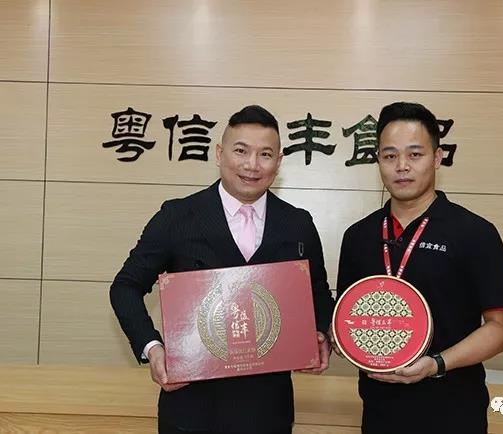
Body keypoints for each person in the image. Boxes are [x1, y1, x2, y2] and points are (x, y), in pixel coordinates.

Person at [110, 105, 335, 434]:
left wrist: (321, 334)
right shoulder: (177, 217)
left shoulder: (298, 223)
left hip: (268, 412)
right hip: (190, 410)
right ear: (219, 154)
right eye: (241, 151)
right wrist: (152, 348)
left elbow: (318, 293)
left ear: (278, 162)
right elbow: (125, 287)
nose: (252, 165)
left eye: (265, 154)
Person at [333, 102, 503, 434]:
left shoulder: (475, 233)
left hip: (454, 413)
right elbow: (347, 320)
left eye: (415, 154)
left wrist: (436, 364)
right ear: (378, 160)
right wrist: (335, 339)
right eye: (390, 155)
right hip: (379, 413)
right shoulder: (358, 236)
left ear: (437, 157)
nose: (401, 166)